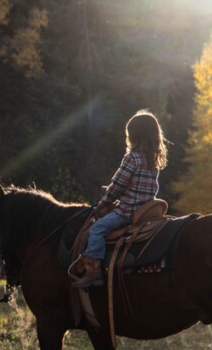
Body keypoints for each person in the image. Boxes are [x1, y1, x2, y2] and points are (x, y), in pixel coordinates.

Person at [72, 109, 168, 288]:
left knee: (97, 229)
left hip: (128, 211)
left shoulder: (132, 158)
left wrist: (105, 200)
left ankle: (93, 272)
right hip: (147, 208)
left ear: (134, 135)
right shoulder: (153, 160)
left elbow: (117, 185)